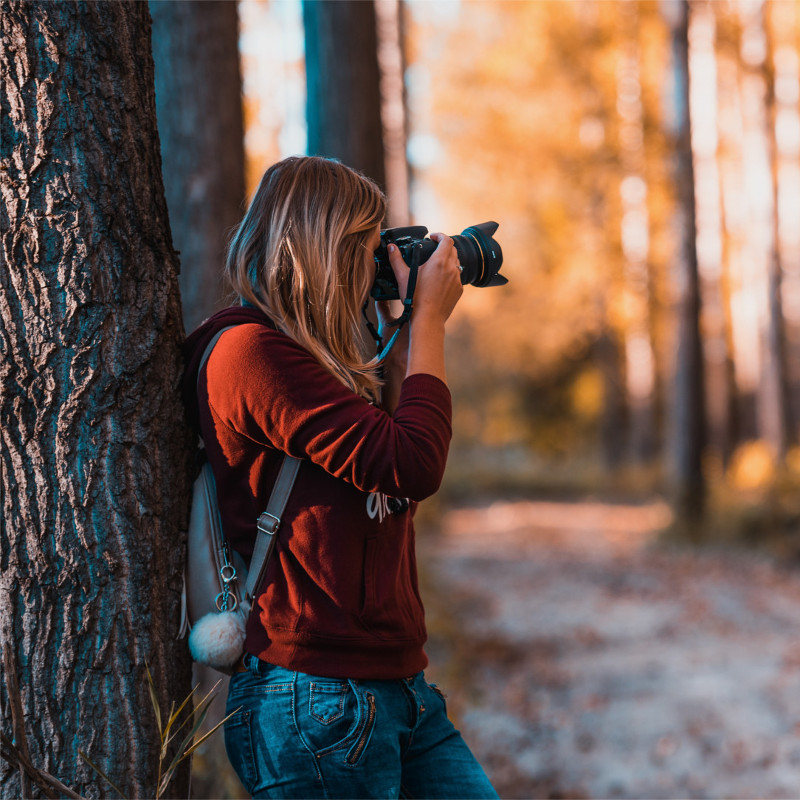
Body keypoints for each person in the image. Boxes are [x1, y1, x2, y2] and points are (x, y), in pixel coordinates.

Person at [182, 156, 498, 799]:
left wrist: (400, 336)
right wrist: (431, 322)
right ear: (326, 247)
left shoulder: (316, 362)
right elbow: (412, 465)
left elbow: (383, 471)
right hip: (314, 696)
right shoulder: (251, 353)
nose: (374, 260)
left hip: (394, 689)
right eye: (365, 242)